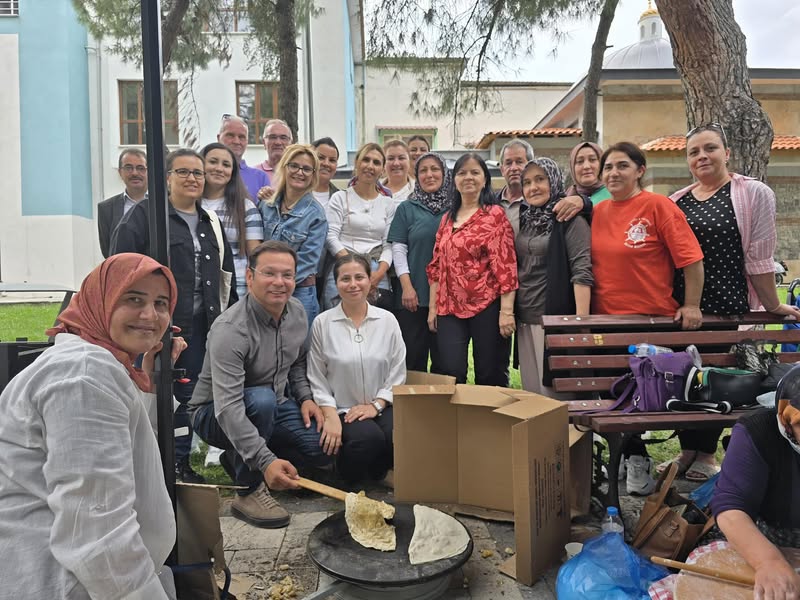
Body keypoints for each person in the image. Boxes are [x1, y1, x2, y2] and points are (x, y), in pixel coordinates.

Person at [0, 253, 189, 598]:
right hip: (65, 582)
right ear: (99, 300)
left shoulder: (97, 364)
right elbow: (96, 531)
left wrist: (146, 383)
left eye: (161, 303)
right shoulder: (84, 374)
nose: (150, 315)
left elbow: (126, 448)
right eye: (133, 299)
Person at [660, 123, 800, 482]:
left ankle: (706, 453)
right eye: (694, 152)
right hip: (685, 306)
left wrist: (773, 304)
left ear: (727, 153)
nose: (702, 156)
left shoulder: (754, 194)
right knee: (686, 377)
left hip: (727, 306)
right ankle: (687, 450)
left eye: (710, 148)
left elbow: (760, 258)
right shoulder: (678, 200)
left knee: (716, 380)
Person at [112, 148, 237, 484]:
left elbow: (227, 273)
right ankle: (151, 465)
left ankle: (180, 465)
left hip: (203, 326)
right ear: (167, 178)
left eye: (198, 173)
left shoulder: (211, 221)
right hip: (155, 327)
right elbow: (119, 270)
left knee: (187, 397)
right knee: (153, 392)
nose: (192, 179)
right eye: (183, 172)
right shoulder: (144, 216)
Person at [591, 141, 704, 496]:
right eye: (608, 167)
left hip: (650, 320)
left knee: (644, 397)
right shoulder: (598, 211)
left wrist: (691, 304)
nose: (614, 173)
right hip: (605, 321)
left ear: (640, 170)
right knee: (614, 396)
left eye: (622, 166)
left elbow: (691, 259)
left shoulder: (658, 206)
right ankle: (629, 457)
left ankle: (638, 460)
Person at [189, 241, 318, 529]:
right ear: (249, 277)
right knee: (261, 401)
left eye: (287, 275)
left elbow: (298, 363)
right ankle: (248, 491)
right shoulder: (231, 330)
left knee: (316, 448)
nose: (279, 282)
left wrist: (307, 398)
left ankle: (238, 455)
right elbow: (229, 407)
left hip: (275, 402)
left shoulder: (296, 312)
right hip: (214, 412)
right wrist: (265, 461)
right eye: (269, 273)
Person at [307, 253, 406, 483]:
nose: (353, 285)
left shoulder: (387, 320)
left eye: (359, 277)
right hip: (343, 408)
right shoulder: (323, 323)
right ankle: (346, 477)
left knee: (397, 434)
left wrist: (377, 404)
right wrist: (330, 412)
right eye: (345, 279)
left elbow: (398, 369)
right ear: (336, 283)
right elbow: (316, 375)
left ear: (370, 280)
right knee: (367, 438)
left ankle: (379, 474)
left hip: (382, 403)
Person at [427, 152, 518, 386]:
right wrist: (433, 307)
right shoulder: (448, 218)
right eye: (462, 173)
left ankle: (490, 421)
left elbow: (506, 266)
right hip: (448, 307)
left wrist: (506, 312)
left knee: (489, 372)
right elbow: (436, 265)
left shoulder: (494, 215)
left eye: (475, 172)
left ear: (485, 179)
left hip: (486, 305)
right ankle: (459, 420)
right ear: (454, 180)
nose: (468, 177)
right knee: (450, 370)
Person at [712, 365, 800, 599]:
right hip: (765, 534)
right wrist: (768, 562)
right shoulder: (758, 432)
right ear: (785, 418)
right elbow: (731, 508)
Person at [515, 158, 592, 396]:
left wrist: (581, 323)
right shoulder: (525, 219)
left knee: (556, 395)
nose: (532, 188)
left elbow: (582, 270)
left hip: (554, 319)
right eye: (526, 182)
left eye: (540, 179)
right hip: (525, 318)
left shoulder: (570, 219)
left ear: (554, 180)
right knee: (533, 392)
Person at [387, 151, 451, 373]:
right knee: (413, 360)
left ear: (444, 173)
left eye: (435, 169)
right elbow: (398, 248)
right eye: (423, 170)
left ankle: (442, 406)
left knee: (445, 362)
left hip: (448, 299)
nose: (429, 175)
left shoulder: (456, 207)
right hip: (412, 297)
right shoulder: (407, 208)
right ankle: (414, 407)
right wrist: (407, 287)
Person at [261, 144, 328, 326]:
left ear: (313, 174)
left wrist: (275, 283)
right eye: (294, 166)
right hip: (264, 292)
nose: (300, 172)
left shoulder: (316, 215)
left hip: (299, 294)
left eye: (307, 169)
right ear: (285, 167)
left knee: (297, 352)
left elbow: (307, 262)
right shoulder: (266, 206)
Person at [324, 143, 396, 310]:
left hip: (377, 269)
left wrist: (377, 275)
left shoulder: (388, 203)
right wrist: (352, 264)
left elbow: (389, 244)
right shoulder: (339, 198)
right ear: (356, 163)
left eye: (376, 162)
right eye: (366, 160)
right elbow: (330, 236)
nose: (370, 166)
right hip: (343, 265)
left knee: (376, 326)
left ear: (382, 170)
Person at [201, 142, 264, 299]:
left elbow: (255, 257)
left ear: (232, 172)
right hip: (198, 289)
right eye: (213, 162)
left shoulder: (245, 207)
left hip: (236, 290)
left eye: (226, 164)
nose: (219, 168)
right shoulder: (189, 204)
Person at [497, 139, 586, 234]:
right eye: (508, 163)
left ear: (531, 164)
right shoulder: (491, 204)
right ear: (502, 170)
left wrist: (584, 201)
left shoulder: (560, 209)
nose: (513, 168)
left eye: (519, 162)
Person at [98, 149, 148, 258]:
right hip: (124, 271)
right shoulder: (106, 209)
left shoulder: (163, 204)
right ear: (120, 172)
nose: (135, 173)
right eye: (128, 168)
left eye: (140, 168)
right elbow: (108, 251)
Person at [217, 113, 270, 203]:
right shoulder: (207, 173)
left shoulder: (260, 178)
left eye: (242, 137)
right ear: (218, 138)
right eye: (230, 135)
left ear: (247, 141)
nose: (236, 141)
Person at [565, 141, 612, 206]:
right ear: (572, 167)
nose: (586, 166)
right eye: (580, 161)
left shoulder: (614, 195)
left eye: (592, 159)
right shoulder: (566, 197)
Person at [311, 137, 341, 210]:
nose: (326, 164)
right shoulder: (295, 194)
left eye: (332, 160)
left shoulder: (342, 199)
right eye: (321, 158)